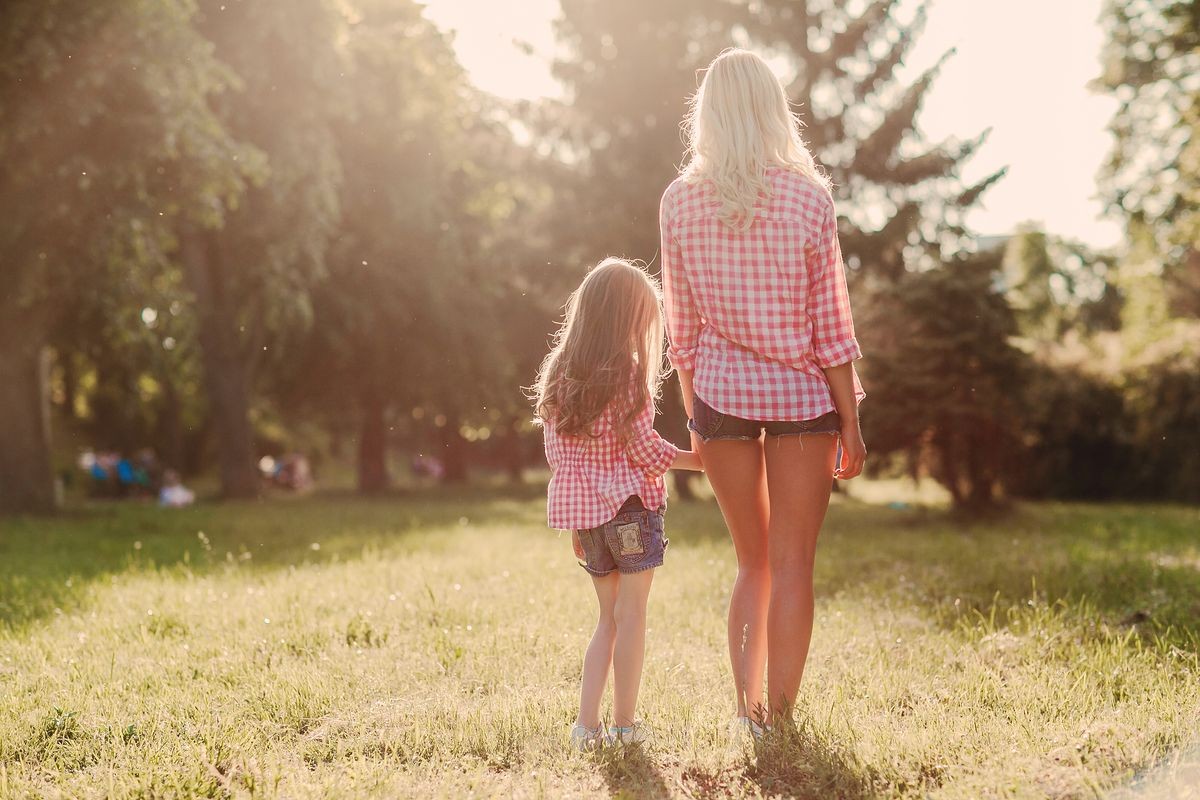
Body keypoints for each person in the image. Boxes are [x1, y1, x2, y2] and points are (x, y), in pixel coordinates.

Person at [659, 49, 867, 730]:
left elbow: (681, 329)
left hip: (719, 400)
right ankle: (778, 717)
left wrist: (697, 416)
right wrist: (852, 425)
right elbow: (832, 329)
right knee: (792, 564)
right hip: (805, 406)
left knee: (751, 564)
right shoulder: (809, 198)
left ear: (708, 113)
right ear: (774, 107)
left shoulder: (679, 201)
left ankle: (750, 716)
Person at [533, 257, 704, 751]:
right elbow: (645, 450)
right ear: (627, 319)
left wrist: (577, 522)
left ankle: (587, 728)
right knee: (633, 617)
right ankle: (626, 728)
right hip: (630, 510)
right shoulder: (626, 374)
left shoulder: (559, 372)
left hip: (588, 520)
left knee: (606, 620)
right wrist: (706, 462)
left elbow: (560, 455)